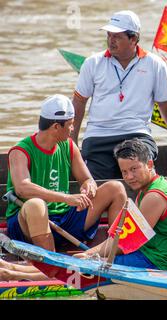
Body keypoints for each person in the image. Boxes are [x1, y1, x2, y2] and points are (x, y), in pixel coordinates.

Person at [1, 95, 127, 281]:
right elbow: (22, 189)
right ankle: (48, 266)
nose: (73, 128)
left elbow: (87, 178)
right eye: (70, 124)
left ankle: (114, 251)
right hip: (30, 224)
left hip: (65, 220)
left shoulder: (68, 146)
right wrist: (66, 198)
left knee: (115, 188)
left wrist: (88, 187)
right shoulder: (21, 151)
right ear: (55, 127)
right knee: (36, 205)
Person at [71, 10, 167, 179]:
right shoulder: (92, 63)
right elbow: (79, 102)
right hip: (99, 136)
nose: (111, 41)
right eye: (109, 35)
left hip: (137, 134)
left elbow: (164, 104)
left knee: (143, 176)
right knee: (100, 186)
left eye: (117, 36)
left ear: (134, 39)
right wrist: (71, 143)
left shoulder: (155, 64)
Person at [74, 139, 167, 271]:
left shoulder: (154, 197)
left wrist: (88, 255)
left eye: (134, 169)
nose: (129, 177)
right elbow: (122, 240)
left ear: (149, 164)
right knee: (96, 259)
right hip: (154, 255)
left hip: (161, 264)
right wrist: (91, 254)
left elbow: (123, 243)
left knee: (95, 265)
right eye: (124, 172)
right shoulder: (150, 189)